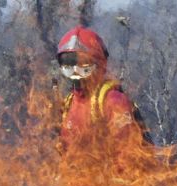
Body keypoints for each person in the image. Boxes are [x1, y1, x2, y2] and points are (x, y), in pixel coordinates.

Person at [56, 26, 147, 171]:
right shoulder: (68, 104)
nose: (75, 71)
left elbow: (129, 155)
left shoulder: (112, 101)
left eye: (82, 63)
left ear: (98, 63)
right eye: (68, 63)